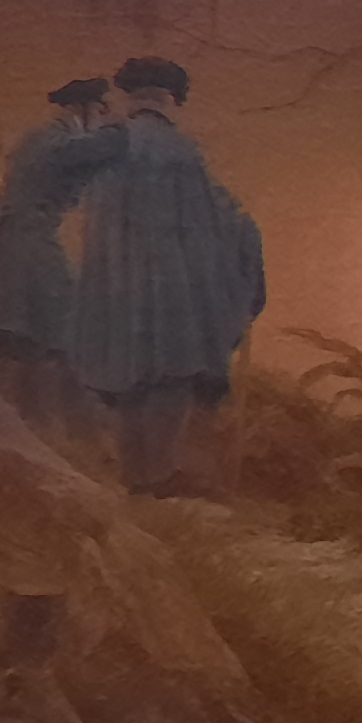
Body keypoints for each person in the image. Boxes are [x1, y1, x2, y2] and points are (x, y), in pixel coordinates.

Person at [63, 55, 266, 494]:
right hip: (170, 280)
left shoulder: (109, 145)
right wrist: (247, 239)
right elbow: (214, 216)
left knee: (128, 375)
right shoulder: (180, 151)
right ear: (170, 99)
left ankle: (135, 475)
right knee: (172, 370)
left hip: (117, 283)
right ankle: (157, 474)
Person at [0, 72, 117, 429]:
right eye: (100, 109)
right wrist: (124, 134)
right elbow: (81, 153)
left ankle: (34, 419)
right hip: (28, 236)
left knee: (34, 332)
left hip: (21, 235)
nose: (102, 117)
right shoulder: (56, 140)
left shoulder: (45, 137)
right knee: (64, 325)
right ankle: (74, 427)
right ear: (82, 108)